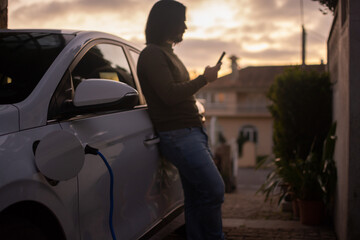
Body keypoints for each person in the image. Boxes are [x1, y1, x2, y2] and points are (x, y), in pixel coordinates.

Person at [137, 1, 225, 239]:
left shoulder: (168, 53)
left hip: (191, 132)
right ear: (167, 22)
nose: (185, 26)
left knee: (197, 196)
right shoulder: (152, 54)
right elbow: (169, 94)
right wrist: (204, 79)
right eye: (181, 20)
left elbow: (178, 91)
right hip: (179, 134)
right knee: (215, 190)